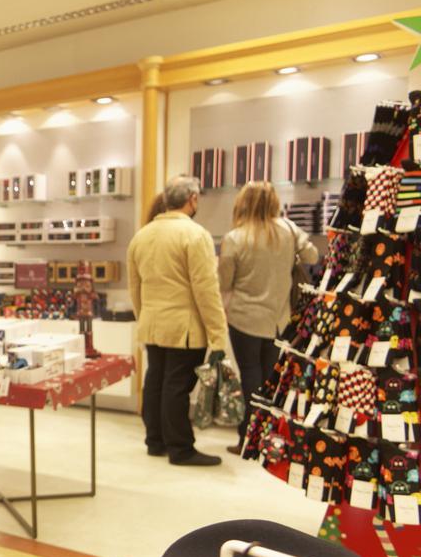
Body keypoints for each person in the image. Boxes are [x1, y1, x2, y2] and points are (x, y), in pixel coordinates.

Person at [127, 175, 228, 467]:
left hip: (152, 323)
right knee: (176, 387)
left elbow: (136, 288)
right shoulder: (195, 236)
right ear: (192, 199)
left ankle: (155, 441)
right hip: (184, 327)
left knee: (156, 381)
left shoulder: (142, 236)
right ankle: (181, 448)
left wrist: (142, 317)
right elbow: (206, 290)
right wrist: (218, 336)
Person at [218, 181, 319, 454]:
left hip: (243, 317)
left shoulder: (236, 237)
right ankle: (268, 436)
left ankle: (248, 438)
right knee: (270, 378)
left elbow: (224, 282)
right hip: (279, 318)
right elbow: (313, 255)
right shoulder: (287, 229)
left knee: (250, 375)